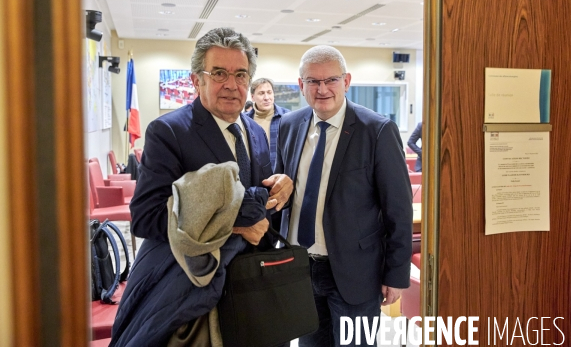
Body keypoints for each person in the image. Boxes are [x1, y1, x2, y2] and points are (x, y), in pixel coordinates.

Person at [115, 28, 294, 345]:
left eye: (240, 74)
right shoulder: (168, 132)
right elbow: (146, 217)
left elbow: (257, 203)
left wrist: (281, 190)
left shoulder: (254, 131)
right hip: (190, 292)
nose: (231, 84)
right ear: (196, 80)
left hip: (252, 288)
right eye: (219, 73)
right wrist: (236, 227)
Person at [275, 45, 413, 346]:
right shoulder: (288, 126)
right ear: (301, 85)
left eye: (331, 80)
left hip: (356, 274)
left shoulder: (376, 130)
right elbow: (280, 194)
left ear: (346, 81)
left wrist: (395, 274)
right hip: (301, 271)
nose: (322, 89)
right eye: (313, 81)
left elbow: (398, 211)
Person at [245, 77, 291, 170]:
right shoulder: (245, 120)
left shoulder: (287, 117)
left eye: (269, 92)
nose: (266, 98)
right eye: (261, 93)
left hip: (281, 174)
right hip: (254, 175)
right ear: (252, 97)